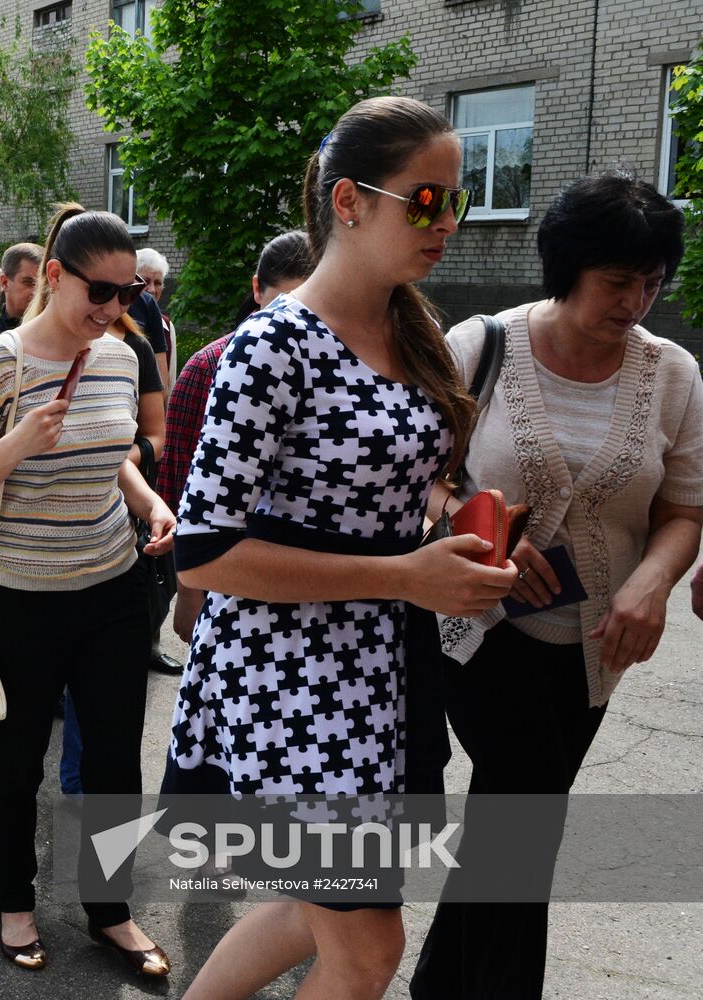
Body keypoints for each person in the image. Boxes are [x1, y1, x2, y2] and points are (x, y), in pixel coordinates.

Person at [168, 96, 518, 1000]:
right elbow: (202, 551)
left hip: (381, 675)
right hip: (293, 683)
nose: (446, 222)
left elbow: (398, 486)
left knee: (309, 911)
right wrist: (405, 575)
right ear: (348, 201)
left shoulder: (412, 331)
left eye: (459, 201)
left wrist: (456, 528)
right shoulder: (270, 348)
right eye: (427, 199)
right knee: (365, 947)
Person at [409, 172, 703, 1000]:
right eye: (617, 282)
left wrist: (650, 580)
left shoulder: (672, 375)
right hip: (478, 628)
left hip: (596, 647)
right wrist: (465, 511)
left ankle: (440, 986)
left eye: (652, 283)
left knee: (512, 825)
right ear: (566, 268)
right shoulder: (479, 346)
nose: (636, 302)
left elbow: (684, 507)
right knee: (524, 821)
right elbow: (413, 479)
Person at [0, 204, 175, 976]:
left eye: (127, 294)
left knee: (113, 760)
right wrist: (16, 443)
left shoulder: (117, 355)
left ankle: (111, 911)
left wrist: (147, 501)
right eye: (97, 293)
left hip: (110, 584)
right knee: (14, 760)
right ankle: (14, 906)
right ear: (57, 277)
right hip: (19, 595)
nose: (112, 310)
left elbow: (113, 453)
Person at [156, 230, 314, 647]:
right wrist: (186, 587)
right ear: (257, 290)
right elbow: (180, 479)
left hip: (304, 575)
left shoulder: (340, 374)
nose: (294, 320)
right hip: (223, 565)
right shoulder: (208, 366)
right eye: (284, 303)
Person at [0, 242, 42, 334]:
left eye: (43, 285)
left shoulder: (59, 338)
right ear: (5, 283)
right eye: (28, 282)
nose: (37, 292)